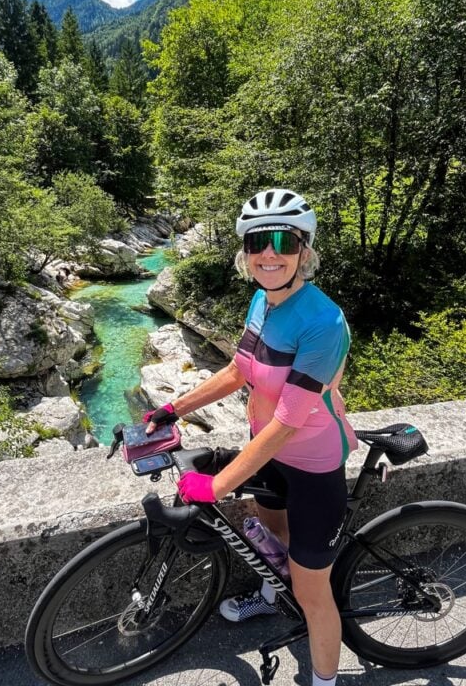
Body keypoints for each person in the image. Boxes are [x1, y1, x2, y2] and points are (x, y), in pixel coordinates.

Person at [145, 188, 357, 686]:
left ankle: (324, 681)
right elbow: (239, 369)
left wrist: (216, 487)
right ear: (245, 251)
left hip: (314, 466)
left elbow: (288, 420)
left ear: (304, 251)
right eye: (259, 240)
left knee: (311, 593)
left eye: (284, 240)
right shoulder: (262, 300)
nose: (270, 252)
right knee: (270, 536)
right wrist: (173, 407)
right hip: (271, 453)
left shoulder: (324, 324)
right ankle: (267, 597)